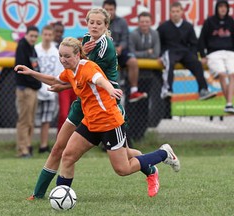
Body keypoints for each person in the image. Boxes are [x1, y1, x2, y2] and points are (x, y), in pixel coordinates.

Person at [15, 37, 180, 194]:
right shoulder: (69, 71)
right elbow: (54, 80)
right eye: (60, 56)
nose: (63, 60)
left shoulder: (87, 67)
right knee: (68, 156)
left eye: (67, 56)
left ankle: (163, 153)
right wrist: (31, 72)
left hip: (109, 122)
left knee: (122, 169)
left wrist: (110, 90)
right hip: (90, 122)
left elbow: (100, 80)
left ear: (78, 55)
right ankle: (62, 194)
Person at [26, 8, 160, 200]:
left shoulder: (105, 47)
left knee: (122, 160)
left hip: (105, 102)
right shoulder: (88, 38)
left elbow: (88, 73)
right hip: (84, 102)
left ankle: (151, 166)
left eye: (99, 23)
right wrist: (40, 75)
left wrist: (65, 82)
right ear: (87, 23)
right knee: (60, 149)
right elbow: (72, 72)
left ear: (107, 26)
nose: (95, 26)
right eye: (92, 22)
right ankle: (41, 194)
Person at [157, 1, 216, 100]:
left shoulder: (188, 26)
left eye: (177, 11)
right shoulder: (163, 27)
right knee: (169, 63)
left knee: (197, 64)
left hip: (184, 52)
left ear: (182, 12)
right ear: (170, 13)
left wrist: (193, 55)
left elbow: (194, 43)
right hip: (170, 51)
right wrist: (160, 55)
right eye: (173, 11)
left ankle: (203, 90)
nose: (175, 13)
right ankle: (167, 90)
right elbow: (158, 43)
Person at [102, 0, 147, 103]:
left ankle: (133, 91)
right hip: (105, 53)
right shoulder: (100, 22)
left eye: (111, 9)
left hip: (120, 52)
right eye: (107, 9)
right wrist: (112, 48)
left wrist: (121, 47)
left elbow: (125, 38)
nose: (109, 12)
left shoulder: (122, 22)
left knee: (133, 62)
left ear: (115, 9)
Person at [198, 0, 234, 113]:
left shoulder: (231, 21)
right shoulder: (210, 21)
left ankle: (229, 104)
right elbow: (201, 40)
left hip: (230, 52)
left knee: (233, 75)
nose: (223, 9)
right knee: (222, 74)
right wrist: (203, 55)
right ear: (217, 8)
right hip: (214, 53)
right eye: (220, 6)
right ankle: (229, 103)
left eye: (225, 7)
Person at [34, 25, 63, 153]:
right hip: (36, 88)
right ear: (42, 35)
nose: (47, 37)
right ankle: (27, 146)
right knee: (31, 119)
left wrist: (54, 84)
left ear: (52, 36)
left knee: (46, 119)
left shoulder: (56, 52)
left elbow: (58, 71)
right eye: (44, 34)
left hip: (50, 88)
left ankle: (43, 145)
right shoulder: (35, 49)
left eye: (49, 35)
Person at [14, 26, 41, 158]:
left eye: (36, 36)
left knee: (31, 121)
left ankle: (28, 146)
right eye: (31, 36)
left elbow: (35, 67)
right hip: (25, 89)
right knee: (24, 120)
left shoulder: (32, 48)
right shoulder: (22, 47)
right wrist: (35, 83)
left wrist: (37, 84)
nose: (33, 38)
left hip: (33, 89)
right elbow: (22, 72)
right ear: (26, 35)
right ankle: (22, 149)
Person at [51, 21, 76, 132]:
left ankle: (73, 140)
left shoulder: (66, 46)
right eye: (56, 31)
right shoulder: (49, 47)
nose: (58, 34)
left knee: (76, 113)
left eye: (61, 32)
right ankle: (60, 140)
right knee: (63, 113)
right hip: (61, 82)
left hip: (73, 82)